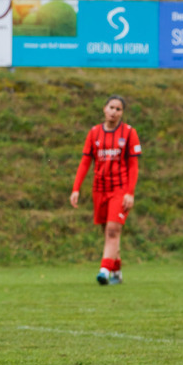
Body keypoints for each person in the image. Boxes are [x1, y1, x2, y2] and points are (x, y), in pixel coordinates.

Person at [69, 95, 141, 285]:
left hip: (120, 188)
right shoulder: (94, 133)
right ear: (104, 108)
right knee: (107, 231)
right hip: (99, 189)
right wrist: (76, 189)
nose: (114, 112)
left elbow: (133, 166)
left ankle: (104, 270)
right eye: (111, 107)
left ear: (122, 113)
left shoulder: (129, 133)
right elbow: (85, 162)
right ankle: (116, 272)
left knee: (113, 230)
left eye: (118, 109)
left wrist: (130, 193)